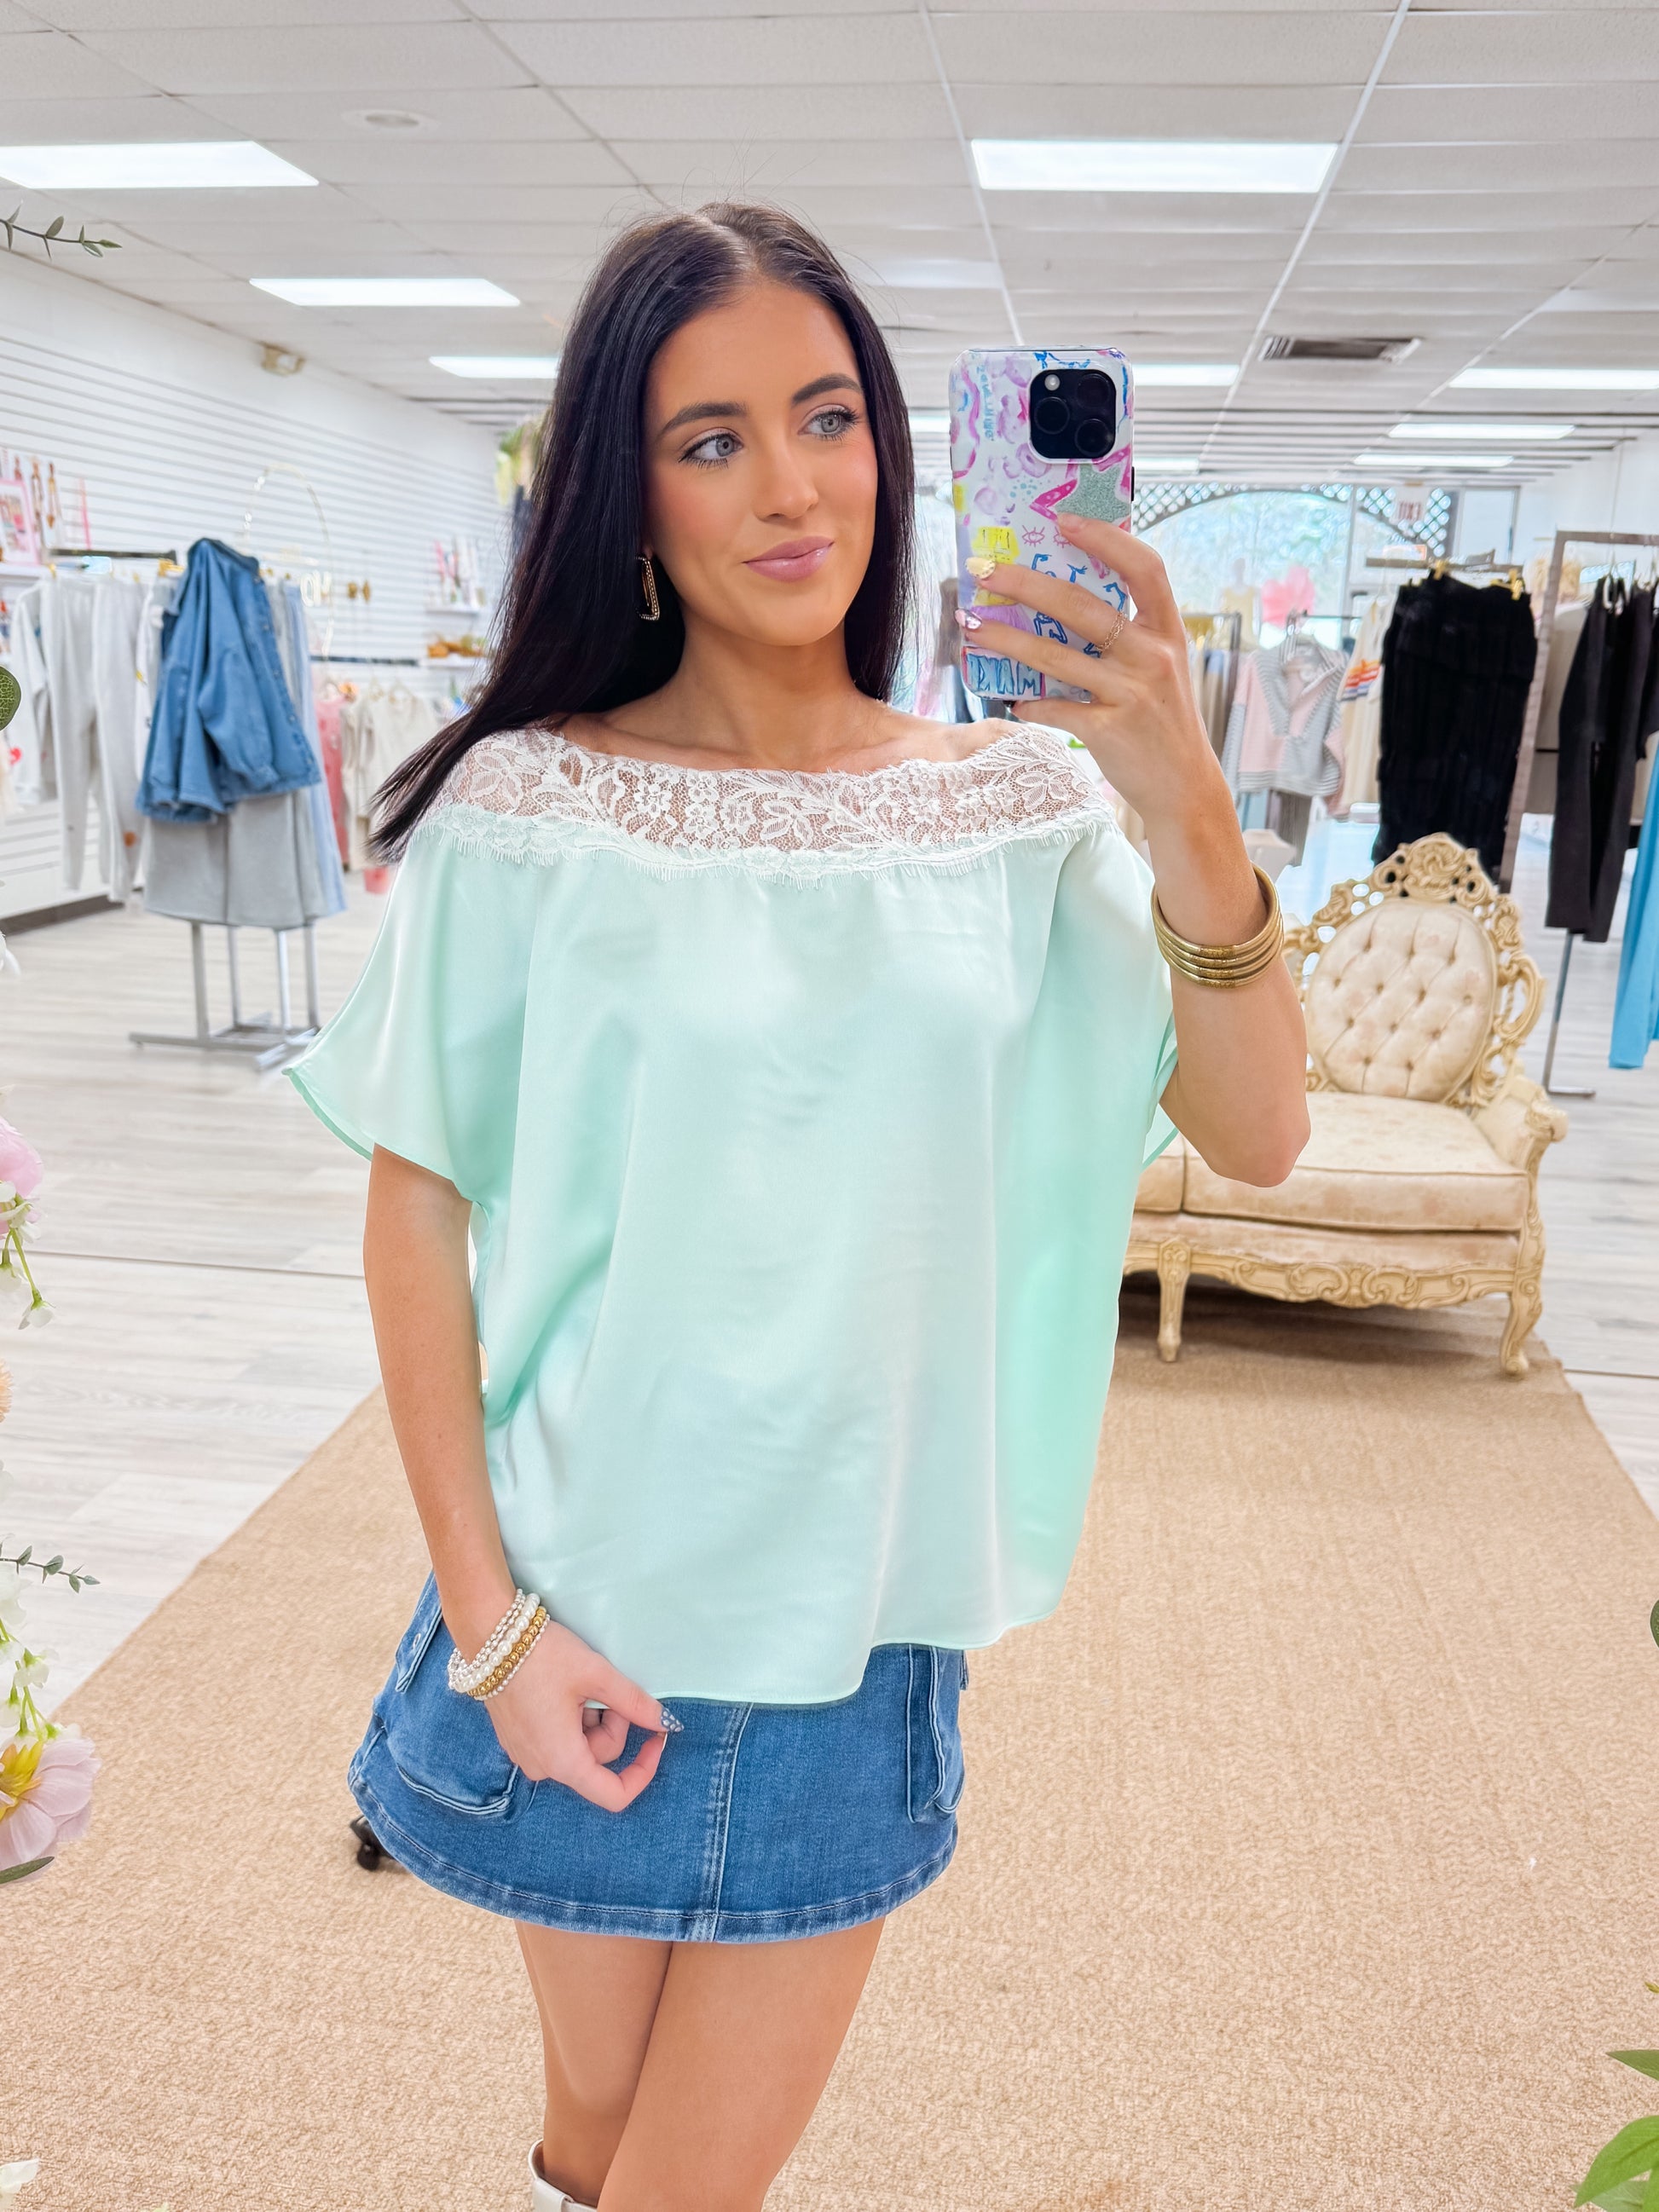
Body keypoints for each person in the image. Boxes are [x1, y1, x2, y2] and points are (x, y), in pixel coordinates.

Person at [288, 201, 1309, 2212]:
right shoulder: (530, 810)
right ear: (628, 493)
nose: (791, 485)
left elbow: (1259, 1128)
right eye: (714, 437)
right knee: (598, 2149)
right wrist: (491, 1622)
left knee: (678, 2181)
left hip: (856, 1622)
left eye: (829, 416)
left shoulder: (1015, 809)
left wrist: (1185, 801)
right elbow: (417, 1219)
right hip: (579, 1600)